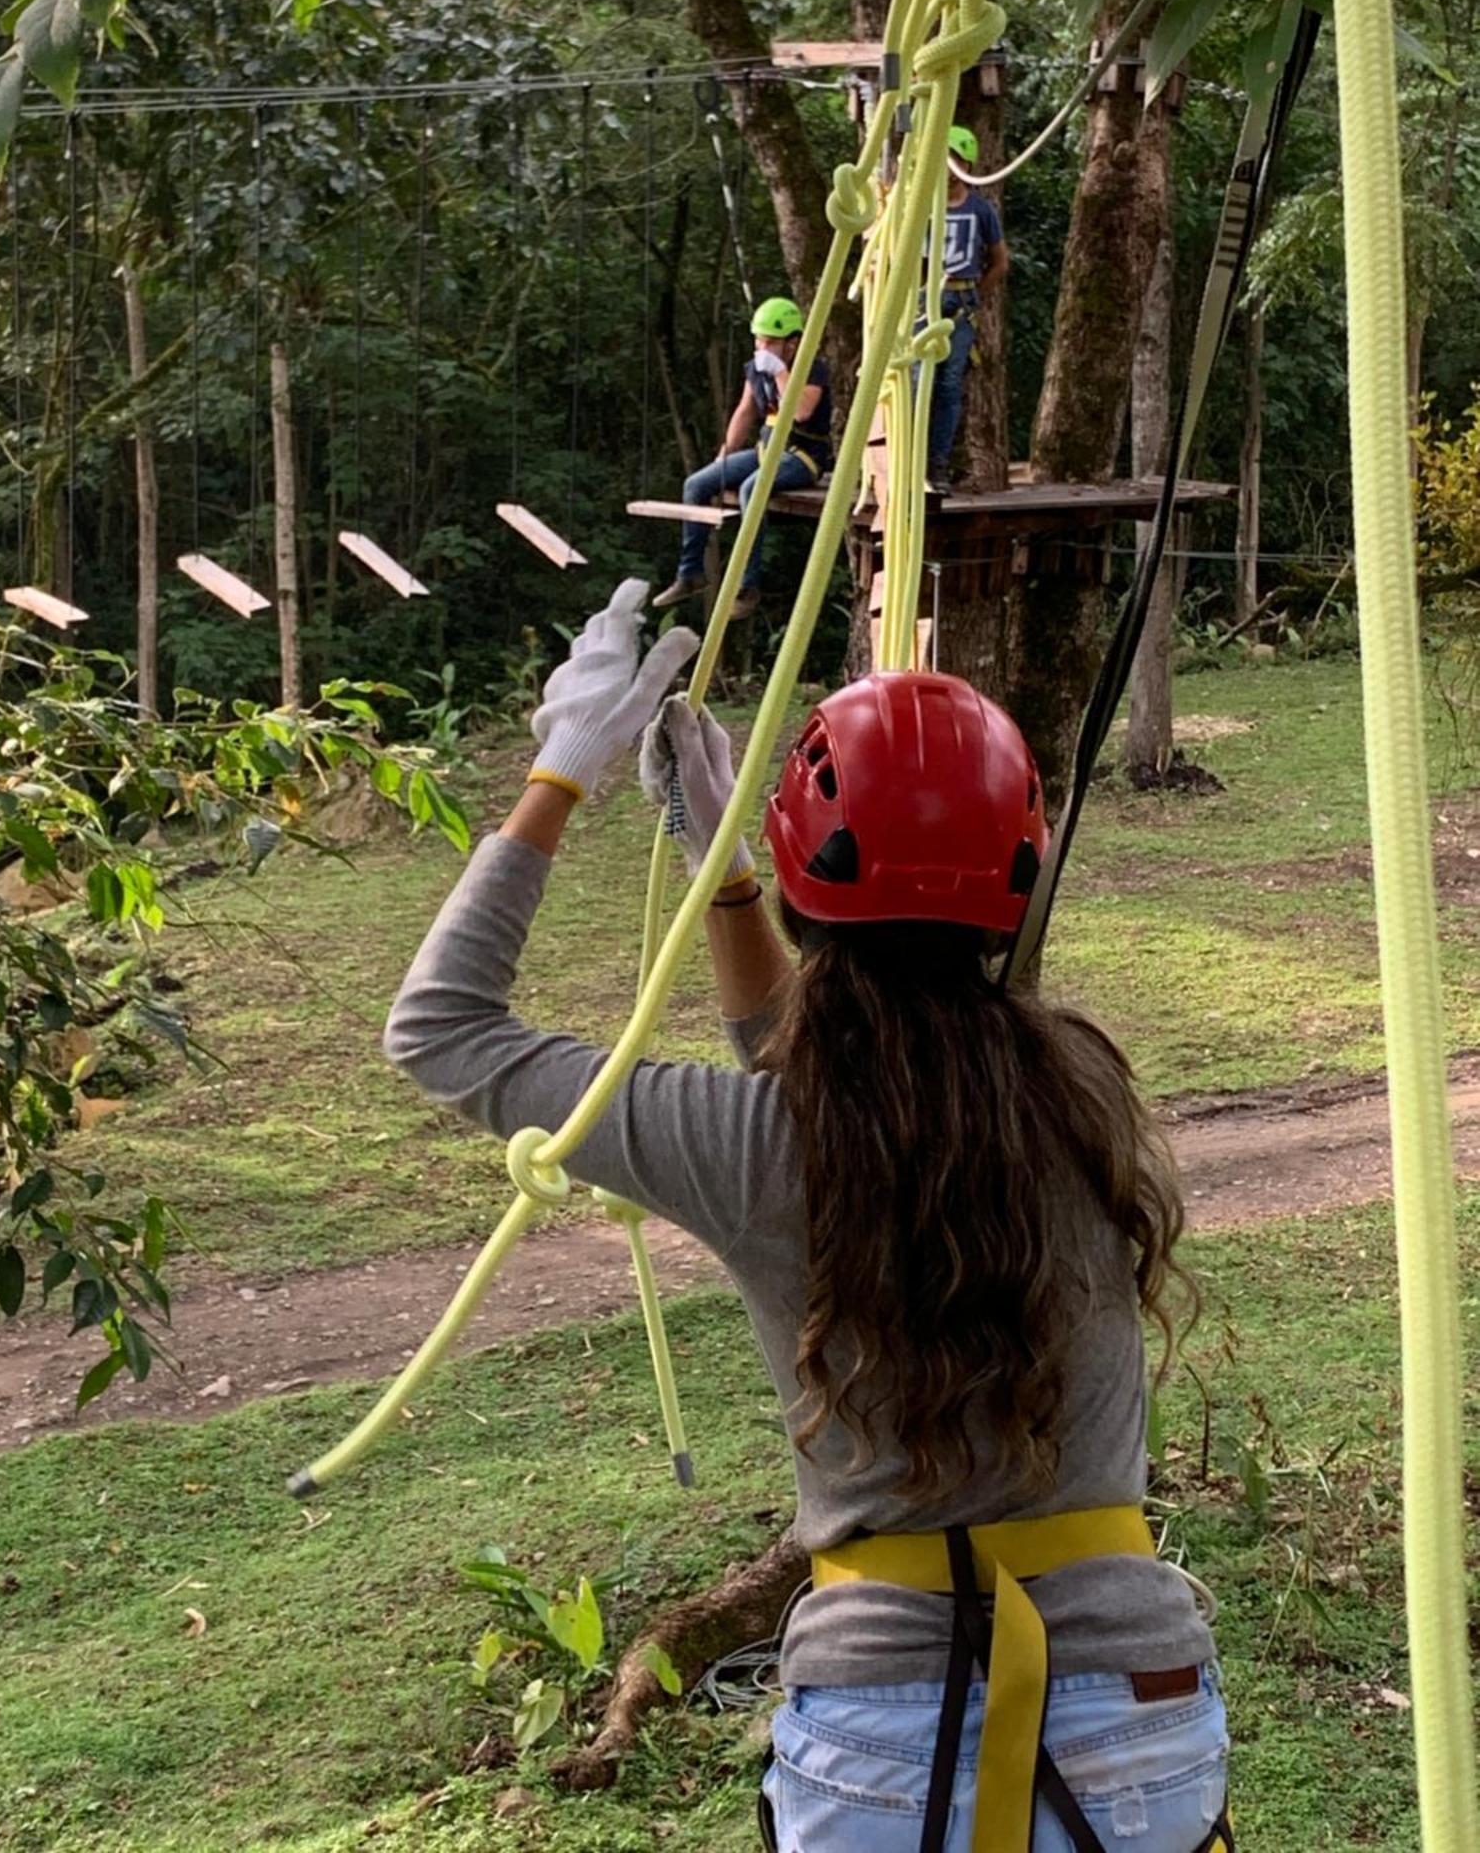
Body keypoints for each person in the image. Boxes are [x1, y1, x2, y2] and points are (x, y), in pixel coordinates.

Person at [384, 578, 1230, 1853]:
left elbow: (440, 1026)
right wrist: (722, 884)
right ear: (1014, 871)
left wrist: (562, 771)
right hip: (1143, 1721)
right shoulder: (1081, 1090)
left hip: (878, 1740)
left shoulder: (758, 1144)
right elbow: (841, 1081)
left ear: (805, 878)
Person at [653, 296, 832, 622]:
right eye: (758, 339)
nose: (762, 347)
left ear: (792, 344)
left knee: (752, 490)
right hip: (766, 452)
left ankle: (747, 586)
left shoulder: (811, 369)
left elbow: (802, 412)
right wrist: (726, 452)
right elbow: (746, 410)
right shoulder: (757, 370)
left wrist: (780, 373)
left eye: (771, 342)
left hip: (802, 457)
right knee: (697, 484)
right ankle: (690, 573)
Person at [924, 124, 1009, 496]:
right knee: (913, 382)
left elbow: (1000, 261)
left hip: (958, 302)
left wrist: (976, 295)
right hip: (923, 300)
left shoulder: (980, 211)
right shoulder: (921, 205)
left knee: (947, 386)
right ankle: (907, 458)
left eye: (951, 161)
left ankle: (937, 464)